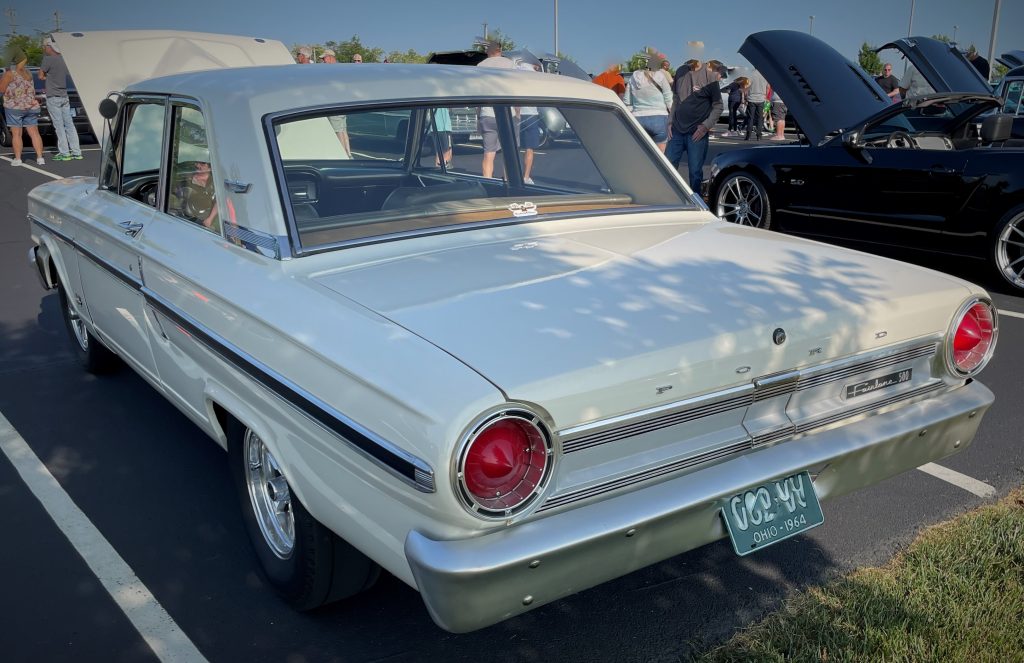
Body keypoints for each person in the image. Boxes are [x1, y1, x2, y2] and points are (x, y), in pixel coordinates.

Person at [665, 64, 722, 193]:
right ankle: (669, 198)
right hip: (676, 130)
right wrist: (670, 121)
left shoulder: (710, 75)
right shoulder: (680, 71)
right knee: (667, 167)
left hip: (697, 133)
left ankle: (696, 202)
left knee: (695, 172)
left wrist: (706, 126)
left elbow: (718, 106)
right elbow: (675, 98)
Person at [475, 41, 514, 178]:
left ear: (488, 51)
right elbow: (515, 89)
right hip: (507, 113)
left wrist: (479, 117)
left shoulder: (480, 66)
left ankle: (487, 182)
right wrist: (518, 113)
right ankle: (508, 182)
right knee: (508, 152)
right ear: (500, 50)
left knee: (488, 153)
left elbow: (477, 94)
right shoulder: (510, 64)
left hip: (487, 114)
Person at [38, 37, 81, 161]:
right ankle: (76, 152)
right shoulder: (64, 59)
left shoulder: (48, 59)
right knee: (69, 124)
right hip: (64, 95)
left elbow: (40, 76)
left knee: (59, 126)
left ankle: (65, 153)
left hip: (53, 96)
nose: (44, 49)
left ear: (49, 46)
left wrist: (49, 78)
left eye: (45, 46)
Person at [0, 47, 45, 166]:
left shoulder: (9, 74)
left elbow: (2, 89)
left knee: (16, 134)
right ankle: (40, 158)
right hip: (31, 106)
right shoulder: (28, 73)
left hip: (14, 107)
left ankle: (18, 159)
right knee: (34, 132)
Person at [624, 52, 673, 152]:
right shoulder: (660, 76)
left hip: (638, 118)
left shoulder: (633, 77)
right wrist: (672, 118)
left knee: (640, 155)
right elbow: (668, 98)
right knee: (660, 157)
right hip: (659, 118)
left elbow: (627, 101)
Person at [515, 62, 543, 181]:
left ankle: (508, 175)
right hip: (532, 115)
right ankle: (526, 176)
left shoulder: (518, 72)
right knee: (529, 148)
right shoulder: (535, 79)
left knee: (514, 147)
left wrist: (517, 115)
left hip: (519, 114)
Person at [744, 69, 767, 141]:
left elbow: (746, 86)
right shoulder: (765, 74)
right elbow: (768, 86)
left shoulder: (750, 74)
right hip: (761, 98)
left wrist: (745, 97)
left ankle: (748, 135)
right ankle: (759, 135)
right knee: (760, 118)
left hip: (752, 98)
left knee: (750, 118)